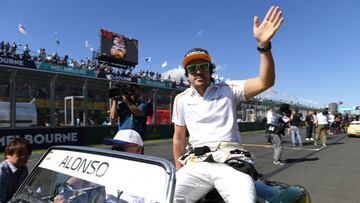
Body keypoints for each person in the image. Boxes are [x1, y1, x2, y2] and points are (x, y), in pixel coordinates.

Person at [172, 6, 284, 202]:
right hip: (195, 163)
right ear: (187, 74)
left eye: (203, 66)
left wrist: (263, 46)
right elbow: (178, 138)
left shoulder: (229, 89)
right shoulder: (181, 99)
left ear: (211, 70)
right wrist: (179, 168)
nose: (198, 71)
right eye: (192, 68)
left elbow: (266, 81)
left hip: (231, 161)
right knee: (165, 198)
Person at [0, 138, 32, 203]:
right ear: (8, 154)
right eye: (20, 154)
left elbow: (25, 192)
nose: (24, 157)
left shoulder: (24, 169)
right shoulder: (2, 172)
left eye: (27, 154)